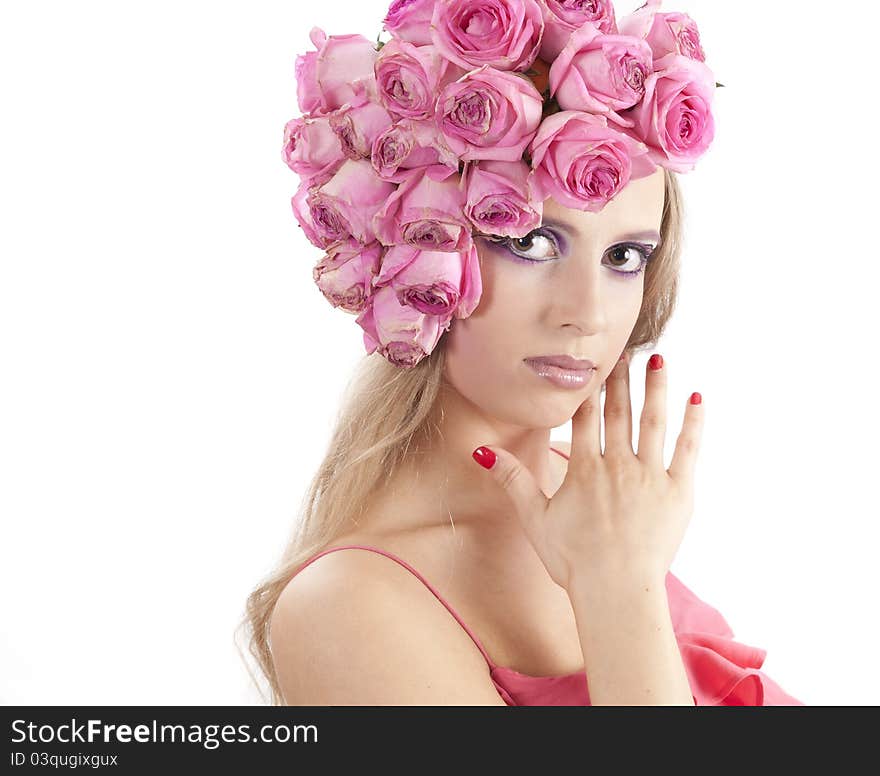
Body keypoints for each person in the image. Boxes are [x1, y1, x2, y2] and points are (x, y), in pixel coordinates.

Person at [239, 0, 804, 706]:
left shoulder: (601, 506)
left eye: (626, 257)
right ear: (412, 247)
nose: (588, 315)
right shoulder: (348, 606)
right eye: (531, 242)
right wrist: (620, 593)